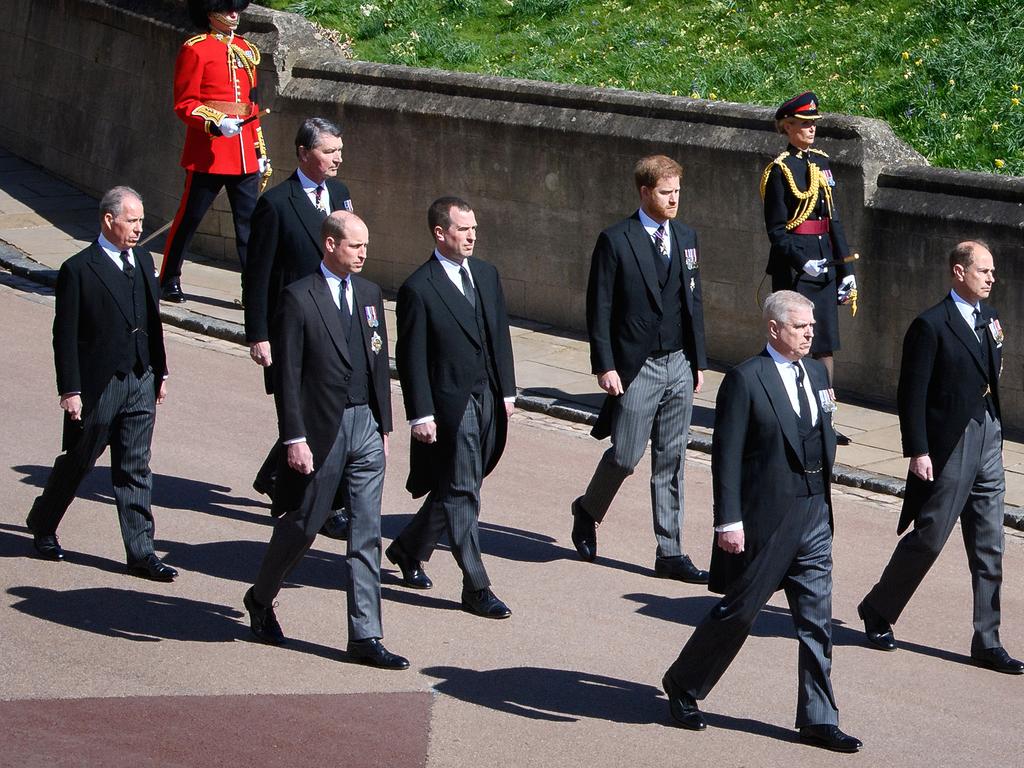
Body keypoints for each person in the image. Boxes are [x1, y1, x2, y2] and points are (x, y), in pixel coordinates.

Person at [662, 291, 862, 753]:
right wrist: (727, 521)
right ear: (774, 329)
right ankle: (684, 683)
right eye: (800, 326)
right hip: (768, 517)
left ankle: (818, 717)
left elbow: (822, 431)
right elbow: (725, 457)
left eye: (812, 325)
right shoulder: (746, 380)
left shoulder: (816, 373)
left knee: (816, 621)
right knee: (741, 612)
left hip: (814, 510)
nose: (811, 332)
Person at [243, 211, 407, 669]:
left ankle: (365, 636)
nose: (363, 254)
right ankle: (261, 597)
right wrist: (294, 438)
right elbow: (288, 376)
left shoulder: (371, 295)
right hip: (320, 430)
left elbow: (379, 364)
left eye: (366, 246)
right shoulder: (298, 298)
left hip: (367, 427)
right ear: (331, 244)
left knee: (366, 533)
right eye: (356, 246)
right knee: (304, 525)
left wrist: (385, 425)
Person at [857, 241, 1022, 674]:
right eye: (983, 271)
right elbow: (911, 393)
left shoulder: (990, 318)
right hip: (950, 441)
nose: (991, 278)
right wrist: (918, 449)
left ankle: (987, 639)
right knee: (930, 535)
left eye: (992, 272)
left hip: (988, 432)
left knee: (990, 544)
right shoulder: (931, 325)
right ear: (957, 272)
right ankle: (879, 607)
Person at [25, 186, 176, 582]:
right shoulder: (78, 269)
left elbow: (153, 320)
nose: (139, 229)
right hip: (99, 385)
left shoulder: (143, 260)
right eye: (132, 220)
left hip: (141, 378)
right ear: (109, 220)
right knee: (80, 461)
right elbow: (65, 334)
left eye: (142, 220)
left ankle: (141, 551)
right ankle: (43, 522)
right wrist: (70, 390)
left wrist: (159, 371)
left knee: (135, 467)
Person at [569, 155, 708, 584]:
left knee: (672, 459)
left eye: (678, 192)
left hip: (679, 363)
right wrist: (605, 365)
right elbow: (601, 307)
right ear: (645, 192)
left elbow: (693, 300)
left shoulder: (685, 237)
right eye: (666, 193)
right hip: (637, 366)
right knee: (627, 456)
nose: (674, 200)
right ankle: (588, 509)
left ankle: (670, 551)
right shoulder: (616, 239)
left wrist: (699, 360)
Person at [386, 197, 517, 619]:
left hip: (489, 397)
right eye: (463, 229)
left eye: (474, 228)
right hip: (450, 404)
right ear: (440, 233)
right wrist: (420, 414)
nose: (472, 235)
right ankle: (476, 586)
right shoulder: (419, 288)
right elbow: (412, 359)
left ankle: (408, 549)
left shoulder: (486, 274)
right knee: (463, 492)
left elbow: (499, 334)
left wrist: (508, 391)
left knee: (460, 484)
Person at [243, 116, 353, 539]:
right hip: (294, 328)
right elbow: (257, 275)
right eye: (328, 152)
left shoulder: (341, 195)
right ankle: (315, 504)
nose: (336, 159)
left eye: (339, 151)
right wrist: (258, 334)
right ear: (304, 153)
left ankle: (277, 476)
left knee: (330, 410)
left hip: (335, 323)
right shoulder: (277, 203)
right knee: (313, 414)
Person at [760, 91, 856, 445]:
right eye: (803, 124)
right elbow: (775, 229)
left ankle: (825, 419)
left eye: (813, 124)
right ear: (787, 127)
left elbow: (834, 221)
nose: (810, 129)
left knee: (824, 345)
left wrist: (847, 271)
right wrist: (802, 261)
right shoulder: (780, 170)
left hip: (825, 266)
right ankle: (790, 412)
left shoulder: (821, 164)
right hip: (797, 270)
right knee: (792, 343)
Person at [160, 0, 270, 303]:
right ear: (210, 12)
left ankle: (253, 291)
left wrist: (259, 148)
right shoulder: (196, 48)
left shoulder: (247, 50)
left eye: (236, 7)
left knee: (249, 227)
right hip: (209, 150)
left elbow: (253, 104)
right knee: (189, 218)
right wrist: (215, 122)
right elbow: (185, 103)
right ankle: (169, 277)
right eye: (227, 7)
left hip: (244, 151)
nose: (234, 14)